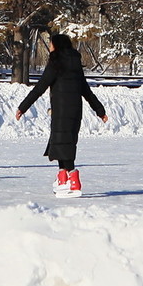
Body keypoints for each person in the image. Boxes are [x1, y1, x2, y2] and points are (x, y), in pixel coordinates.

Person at [16, 34, 109, 197]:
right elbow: (85, 90)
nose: (50, 47)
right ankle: (62, 178)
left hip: (60, 111)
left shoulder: (55, 62)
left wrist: (23, 107)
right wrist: (99, 110)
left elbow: (40, 87)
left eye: (51, 44)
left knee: (62, 145)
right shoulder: (75, 63)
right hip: (75, 111)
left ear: (57, 45)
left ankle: (73, 179)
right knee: (62, 144)